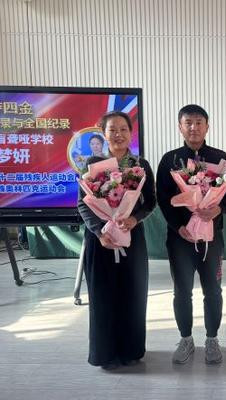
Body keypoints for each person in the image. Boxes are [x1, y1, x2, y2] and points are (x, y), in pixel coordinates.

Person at [77, 111, 156, 370]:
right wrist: (100, 232)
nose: (118, 134)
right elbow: (83, 203)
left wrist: (134, 218)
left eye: (123, 129)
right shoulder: (93, 164)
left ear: (131, 132)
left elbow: (150, 201)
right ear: (104, 133)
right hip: (100, 241)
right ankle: (104, 354)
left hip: (131, 237)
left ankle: (131, 350)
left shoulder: (140, 165)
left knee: (133, 294)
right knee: (102, 296)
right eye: (112, 130)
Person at [156, 104, 226, 365]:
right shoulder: (170, 160)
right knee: (182, 291)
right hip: (180, 239)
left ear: (207, 126)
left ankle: (212, 339)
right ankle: (186, 339)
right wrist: (179, 227)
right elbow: (163, 199)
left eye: (199, 122)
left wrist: (218, 209)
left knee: (213, 290)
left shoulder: (221, 159)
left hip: (212, 238)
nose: (194, 127)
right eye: (188, 122)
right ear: (180, 127)